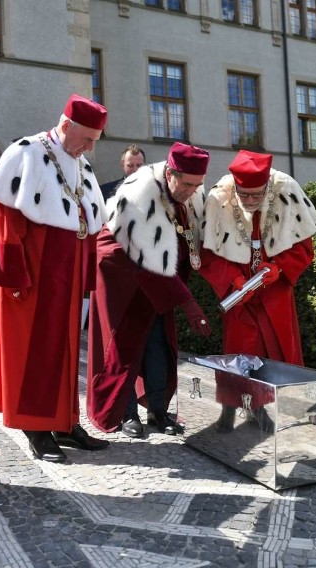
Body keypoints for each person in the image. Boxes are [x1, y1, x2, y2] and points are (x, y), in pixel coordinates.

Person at [0, 94, 110, 463]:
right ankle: (36, 427)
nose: (88, 148)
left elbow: (88, 224)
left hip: (65, 276)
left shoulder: (79, 162)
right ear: (65, 125)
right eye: (85, 138)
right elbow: (5, 219)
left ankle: (64, 422)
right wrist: (12, 274)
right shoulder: (27, 152)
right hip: (34, 275)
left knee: (65, 350)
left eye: (93, 142)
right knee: (34, 351)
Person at [87, 142, 212, 439]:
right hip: (122, 278)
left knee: (158, 343)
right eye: (186, 184)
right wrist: (190, 305)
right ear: (170, 174)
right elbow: (145, 257)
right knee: (124, 346)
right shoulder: (138, 194)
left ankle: (158, 410)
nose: (190, 191)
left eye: (197, 185)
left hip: (159, 281)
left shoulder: (188, 196)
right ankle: (126, 413)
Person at [198, 150, 316, 431]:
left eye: (257, 195)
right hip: (240, 294)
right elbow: (208, 254)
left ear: (267, 187)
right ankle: (229, 409)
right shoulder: (220, 200)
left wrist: (280, 267)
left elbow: (303, 248)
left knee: (273, 352)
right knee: (236, 353)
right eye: (244, 195)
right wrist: (232, 280)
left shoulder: (285, 194)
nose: (250, 201)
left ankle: (265, 410)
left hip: (274, 293)